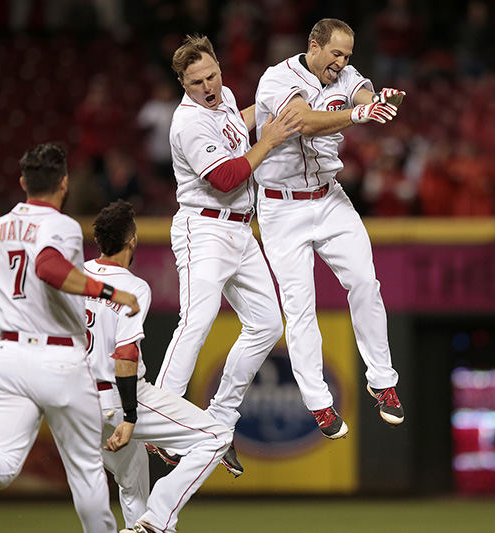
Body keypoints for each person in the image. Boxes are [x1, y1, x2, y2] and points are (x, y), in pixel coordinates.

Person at [0, 143, 140, 533]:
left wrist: (9, 288)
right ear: (64, 182)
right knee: (87, 473)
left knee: (3, 462)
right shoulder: (61, 225)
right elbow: (48, 266)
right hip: (58, 358)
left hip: (7, 356)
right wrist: (110, 292)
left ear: (23, 181)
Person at [153, 34, 301, 475]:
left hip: (240, 230)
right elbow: (228, 176)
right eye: (197, 81)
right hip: (205, 227)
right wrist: (270, 138)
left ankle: (219, 417)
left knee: (268, 323)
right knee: (195, 321)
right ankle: (160, 420)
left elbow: (235, 124)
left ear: (219, 66)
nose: (209, 86)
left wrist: (271, 112)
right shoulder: (187, 122)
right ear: (181, 82)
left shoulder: (224, 97)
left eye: (212, 74)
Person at [253, 18, 404, 439]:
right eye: (335, 53)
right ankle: (319, 403)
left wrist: (376, 100)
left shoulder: (345, 75)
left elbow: (361, 91)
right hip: (281, 208)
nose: (340, 62)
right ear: (313, 46)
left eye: (347, 56)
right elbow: (301, 119)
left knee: (365, 283)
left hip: (329, 197)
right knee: (300, 308)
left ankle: (383, 381)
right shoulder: (276, 79)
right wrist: (358, 114)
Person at [84, 199, 230, 533]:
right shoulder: (133, 286)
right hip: (121, 397)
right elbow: (125, 353)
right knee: (216, 436)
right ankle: (160, 518)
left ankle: (142, 525)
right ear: (132, 240)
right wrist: (131, 416)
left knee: (132, 482)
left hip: (78, 402)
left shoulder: (76, 277)